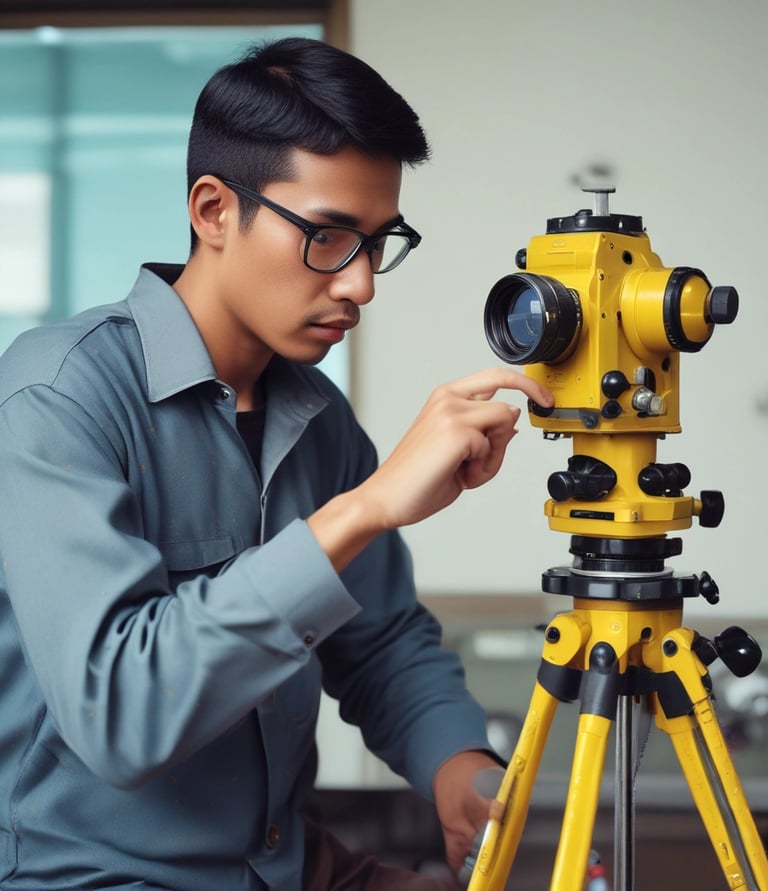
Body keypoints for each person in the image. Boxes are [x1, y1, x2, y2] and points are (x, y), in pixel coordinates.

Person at [0, 37, 552, 891]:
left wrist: (459, 767)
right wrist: (362, 509)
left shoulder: (318, 418)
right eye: (329, 237)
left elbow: (382, 643)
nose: (362, 284)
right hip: (96, 875)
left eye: (379, 241)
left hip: (284, 865)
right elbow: (117, 713)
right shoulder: (57, 396)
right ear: (215, 211)